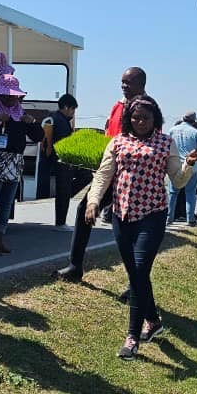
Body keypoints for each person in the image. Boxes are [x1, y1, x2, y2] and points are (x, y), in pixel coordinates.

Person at [86, 95, 197, 359]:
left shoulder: (165, 143)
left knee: (138, 271)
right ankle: (154, 321)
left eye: (145, 118)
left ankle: (132, 337)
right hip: (121, 215)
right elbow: (104, 175)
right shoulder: (118, 142)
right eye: (135, 117)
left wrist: (189, 165)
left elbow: (178, 181)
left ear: (154, 120)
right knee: (136, 275)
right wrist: (93, 201)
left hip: (152, 215)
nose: (139, 122)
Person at [55, 66, 147, 284]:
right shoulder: (118, 106)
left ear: (141, 84)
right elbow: (109, 137)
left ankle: (135, 282)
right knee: (85, 209)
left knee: (130, 228)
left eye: (129, 82)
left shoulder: (146, 109)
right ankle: (75, 266)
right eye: (122, 82)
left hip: (131, 177)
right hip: (108, 172)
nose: (124, 86)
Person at [0, 73, 43, 255]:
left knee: (6, 203)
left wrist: (33, 122)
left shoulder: (21, 113)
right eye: (9, 96)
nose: (13, 99)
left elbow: (38, 136)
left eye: (15, 96)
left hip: (14, 162)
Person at [37, 93, 79, 230]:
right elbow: (63, 142)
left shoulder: (53, 117)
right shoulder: (61, 121)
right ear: (66, 107)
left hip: (50, 161)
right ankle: (60, 222)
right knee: (64, 191)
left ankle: (60, 221)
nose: (73, 113)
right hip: (61, 162)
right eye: (73, 109)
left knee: (64, 191)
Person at [166, 111, 197, 227]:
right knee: (190, 193)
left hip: (175, 165)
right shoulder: (196, 133)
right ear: (194, 121)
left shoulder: (172, 130)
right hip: (191, 166)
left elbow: (167, 148)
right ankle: (190, 219)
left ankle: (169, 218)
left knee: (173, 193)